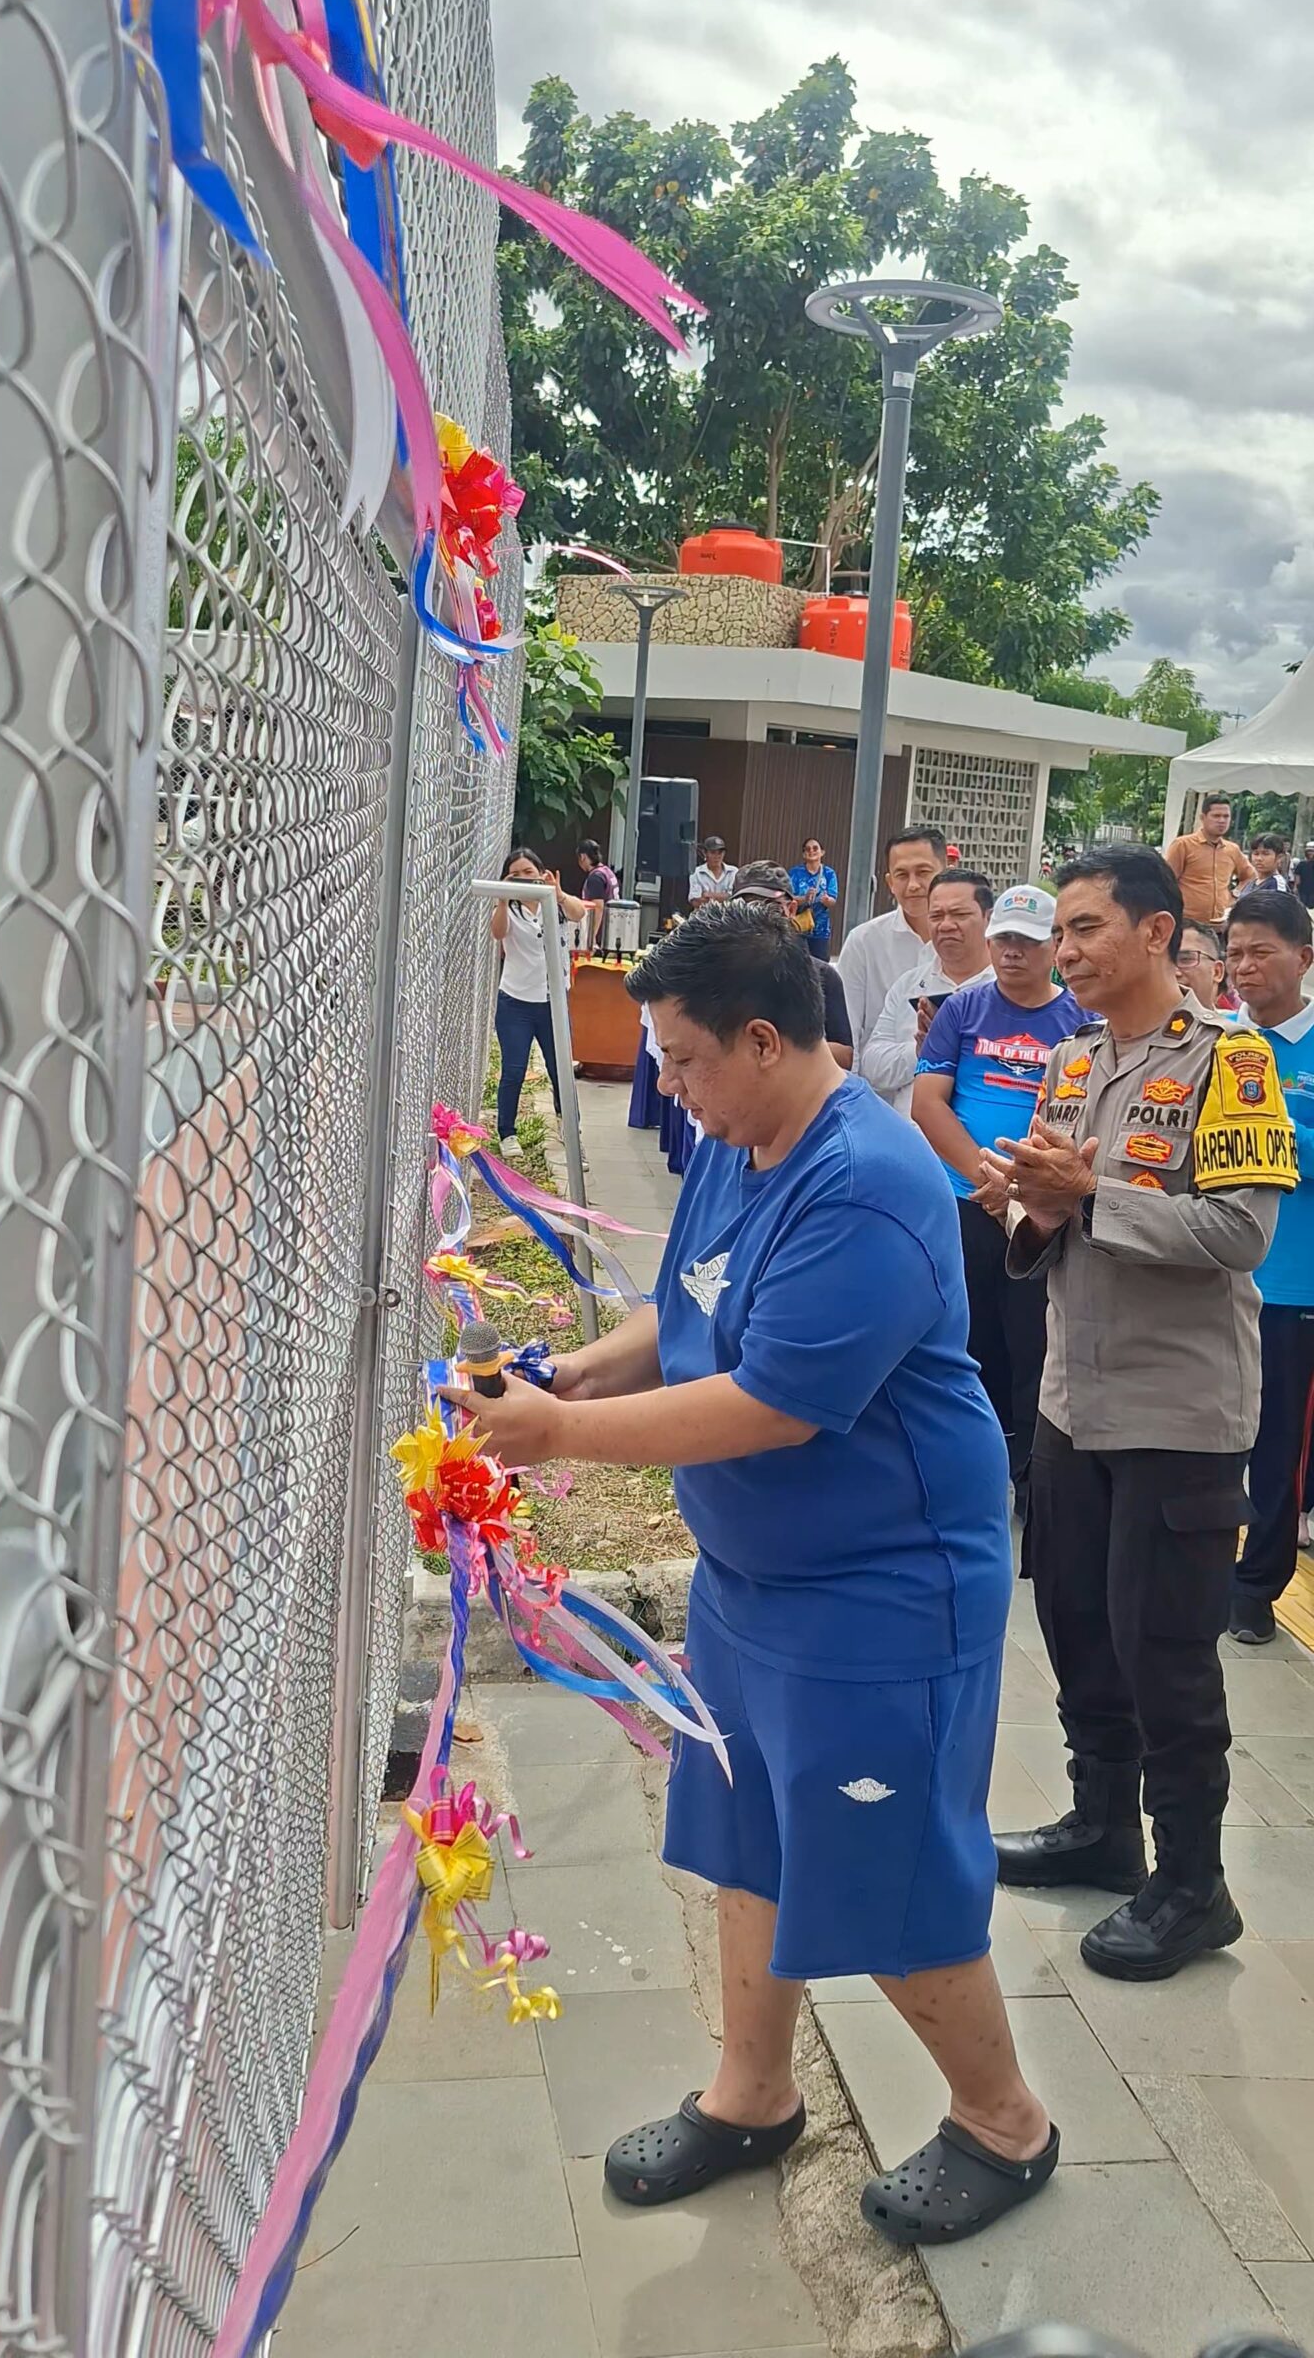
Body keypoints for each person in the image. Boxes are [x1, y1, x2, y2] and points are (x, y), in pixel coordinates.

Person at [458, 903, 1057, 2241]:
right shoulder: (742, 1137)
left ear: (769, 1039)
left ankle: (1005, 2121)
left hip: (880, 1590)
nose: (664, 1083)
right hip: (755, 1580)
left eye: (681, 1059)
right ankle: (753, 2089)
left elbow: (773, 1400)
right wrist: (561, 1375)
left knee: (888, 1867)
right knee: (751, 1834)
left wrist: (556, 1436)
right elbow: (684, 1317)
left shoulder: (865, 1180)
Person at [984, 846, 1295, 1981]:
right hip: (1076, 1400)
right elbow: (1057, 1223)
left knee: (1167, 1654)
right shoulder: (1072, 1064)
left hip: (1180, 1412)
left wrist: (1087, 1195)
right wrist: (1026, 1203)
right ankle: (1102, 1824)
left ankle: (1192, 1883)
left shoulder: (1234, 1063)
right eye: (1058, 933)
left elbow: (1237, 1236)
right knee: (1077, 1623)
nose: (1063, 952)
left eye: (1084, 929)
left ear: (1158, 933)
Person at [912, 886, 1085, 1520]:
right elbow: (928, 1102)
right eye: (1004, 940)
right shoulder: (964, 1009)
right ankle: (972, 1466)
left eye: (1028, 942)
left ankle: (1030, 1480)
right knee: (967, 1336)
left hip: (1039, 1215)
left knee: (1034, 1345)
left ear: (1054, 949)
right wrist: (984, 1175)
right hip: (966, 1203)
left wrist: (1021, 1188)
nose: (1012, 953)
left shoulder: (1079, 1022)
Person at [1223, 888, 1314, 1640]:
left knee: (1280, 1442)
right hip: (1216, 1273)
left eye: (1261, 952)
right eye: (1235, 953)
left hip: (1294, 1284)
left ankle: (1257, 1590)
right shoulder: (1219, 1040)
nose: (1245, 968)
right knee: (1215, 1433)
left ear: (1303, 959)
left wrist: (1269, 1128)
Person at [862, 867, 994, 1116]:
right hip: (908, 1141)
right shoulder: (909, 985)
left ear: (988, 918)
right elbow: (872, 1066)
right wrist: (919, 1052)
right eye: (936, 916)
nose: (946, 925)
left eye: (959, 914)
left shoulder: (1006, 989)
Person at [490, 848, 588, 1153]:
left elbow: (579, 912)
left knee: (560, 1070)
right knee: (514, 1069)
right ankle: (507, 1133)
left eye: (528, 873)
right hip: (516, 1002)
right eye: (515, 875)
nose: (522, 880)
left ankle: (571, 1132)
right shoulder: (510, 909)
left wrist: (557, 894)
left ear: (542, 873)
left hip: (553, 1002)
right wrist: (503, 899)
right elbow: (498, 933)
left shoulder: (554, 904)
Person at [836, 823, 949, 1067]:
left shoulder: (974, 942)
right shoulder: (863, 943)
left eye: (923, 872)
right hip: (877, 1095)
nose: (913, 885)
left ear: (946, 872)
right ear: (889, 882)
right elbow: (847, 1033)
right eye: (902, 875)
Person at [732, 860, 853, 1067]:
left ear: (791, 909)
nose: (757, 917)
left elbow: (845, 1056)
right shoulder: (719, 973)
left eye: (769, 906)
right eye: (747, 906)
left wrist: (781, 1046)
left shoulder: (821, 975)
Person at [1164, 794, 1255, 925]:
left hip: (1219, 924)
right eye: (1216, 816)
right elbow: (1167, 881)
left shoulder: (1232, 849)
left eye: (1226, 816)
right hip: (1187, 923)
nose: (1222, 821)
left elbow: (1250, 876)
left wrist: (1235, 894)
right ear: (1203, 817)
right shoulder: (1183, 845)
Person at [788, 835, 839, 962]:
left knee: (820, 967)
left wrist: (827, 900)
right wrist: (804, 898)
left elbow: (833, 900)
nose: (811, 851)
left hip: (820, 929)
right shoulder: (795, 873)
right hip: (798, 928)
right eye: (807, 849)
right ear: (804, 854)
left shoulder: (829, 873)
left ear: (822, 852)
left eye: (815, 848)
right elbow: (788, 898)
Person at [1175, 919, 1229, 1015]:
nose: (1175, 972)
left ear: (1217, 971)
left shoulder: (1235, 1029)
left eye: (1186, 959)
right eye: (1164, 962)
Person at [576, 837, 619, 947]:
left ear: (582, 857)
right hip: (612, 930)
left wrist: (591, 937)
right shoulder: (607, 872)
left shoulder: (595, 878)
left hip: (601, 935)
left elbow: (597, 907)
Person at [688, 837, 737, 908]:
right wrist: (724, 897)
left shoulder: (733, 872)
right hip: (703, 917)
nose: (717, 856)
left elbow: (735, 898)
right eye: (713, 853)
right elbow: (695, 902)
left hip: (728, 916)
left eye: (720, 853)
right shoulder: (696, 873)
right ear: (705, 853)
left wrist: (709, 895)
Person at [1295, 842, 1314, 910]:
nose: (1310, 853)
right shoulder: (1301, 864)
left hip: (1312, 890)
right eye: (1309, 851)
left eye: (1312, 851)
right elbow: (1297, 876)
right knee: (1302, 907)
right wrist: (1296, 887)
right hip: (1303, 890)